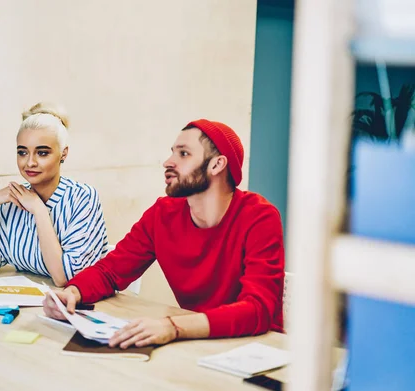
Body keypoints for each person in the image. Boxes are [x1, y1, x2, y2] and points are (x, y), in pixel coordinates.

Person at [44, 119, 285, 347]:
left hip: (253, 348)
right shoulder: (163, 214)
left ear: (217, 164)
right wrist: (72, 293)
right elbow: (110, 272)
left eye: (183, 153)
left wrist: (173, 327)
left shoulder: (259, 217)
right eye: (172, 152)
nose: (168, 162)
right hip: (195, 343)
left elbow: (258, 310)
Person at [0, 102, 108, 287]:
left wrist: (38, 209)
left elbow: (64, 279)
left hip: (77, 308)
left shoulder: (82, 198)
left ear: (63, 154)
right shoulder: (13, 200)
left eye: (42, 153)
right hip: (27, 305)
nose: (30, 162)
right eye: (22, 152)